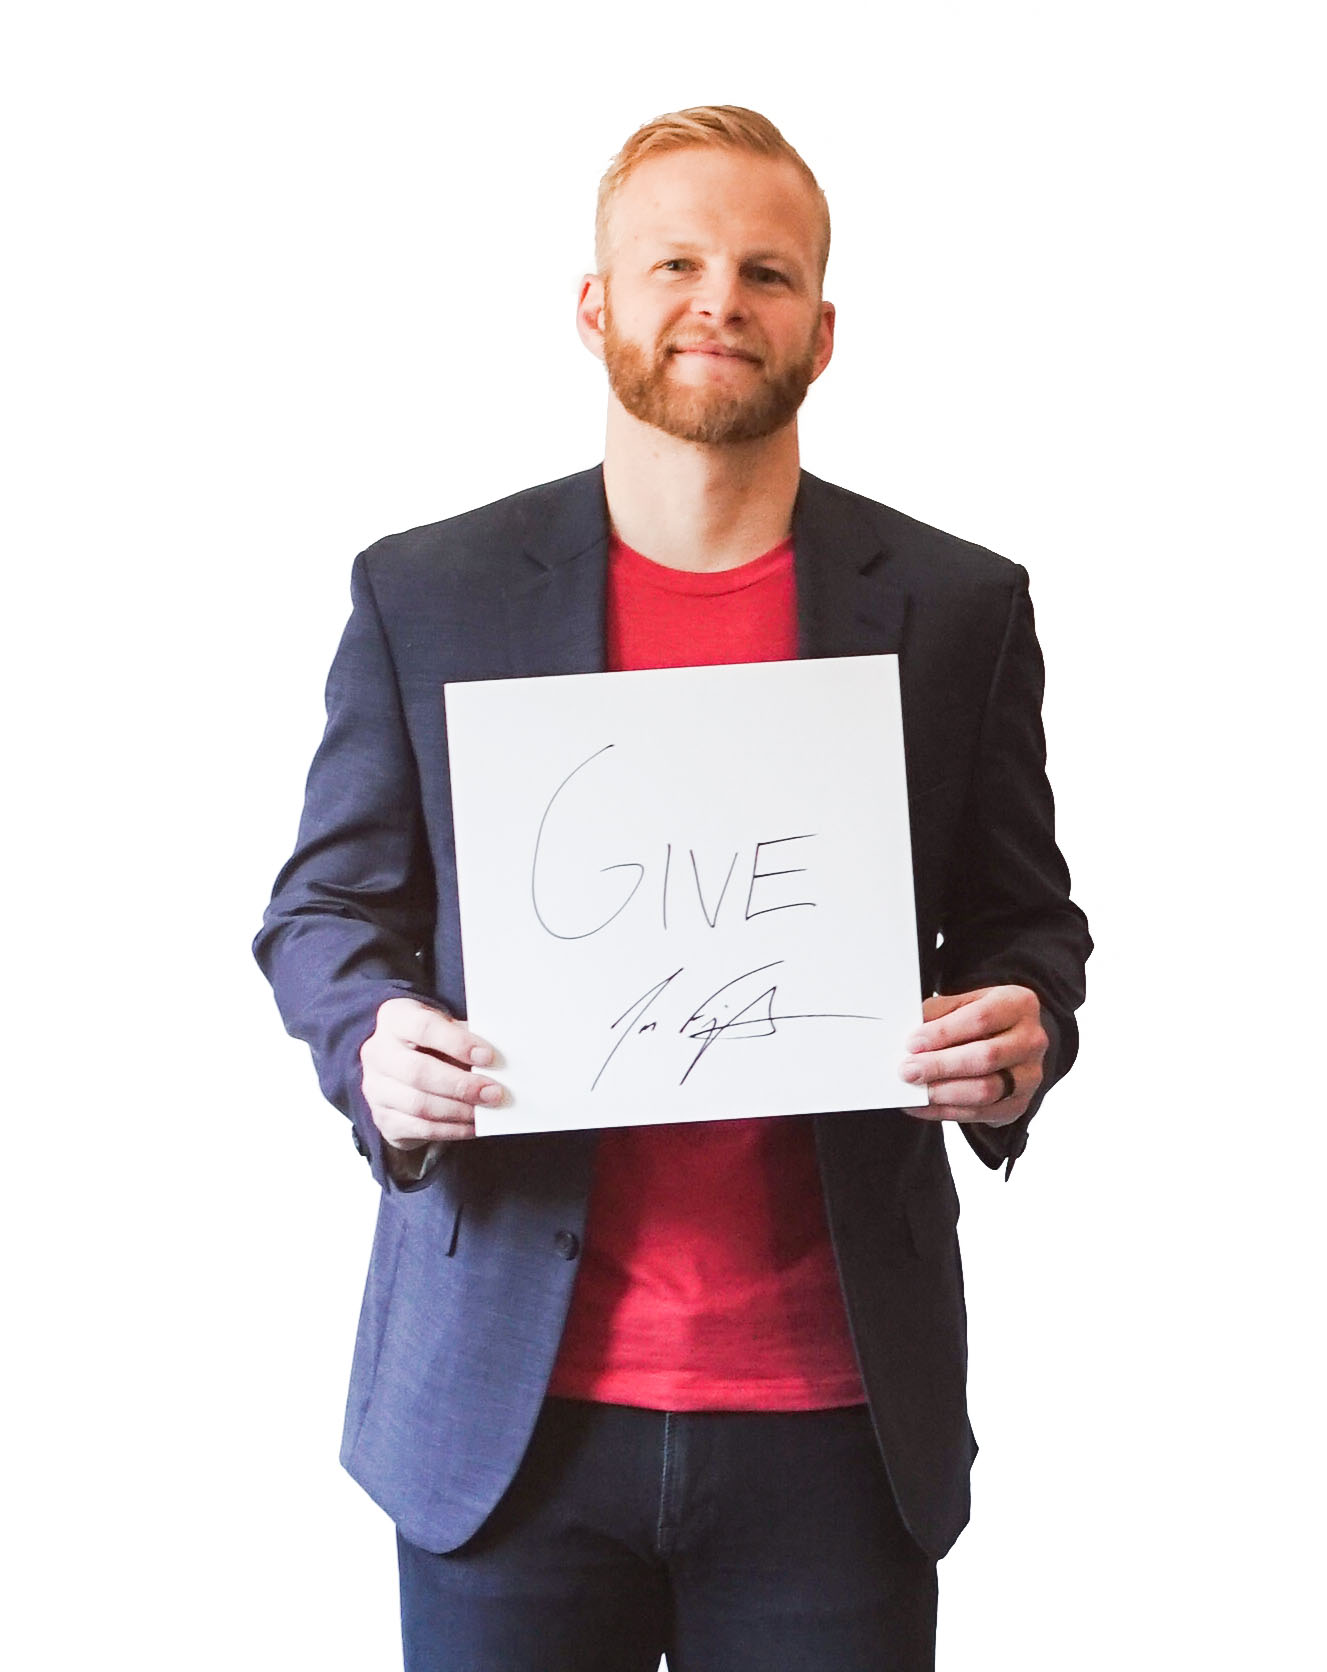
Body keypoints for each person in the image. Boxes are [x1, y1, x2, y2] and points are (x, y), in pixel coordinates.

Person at [255, 105, 1091, 1672]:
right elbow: (324, 911)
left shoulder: (955, 607)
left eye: (766, 272)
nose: (720, 301)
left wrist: (1019, 1020)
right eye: (675, 265)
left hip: (834, 1416)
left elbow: (1023, 918)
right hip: (506, 1410)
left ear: (821, 330)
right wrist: (371, 1039)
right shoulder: (428, 593)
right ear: (595, 308)